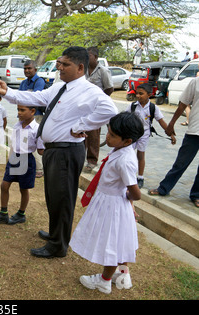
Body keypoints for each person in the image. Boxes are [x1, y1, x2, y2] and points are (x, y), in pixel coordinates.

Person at [0, 46, 118, 258]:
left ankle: (58, 245)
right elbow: (37, 98)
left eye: (65, 64)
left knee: (63, 198)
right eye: (59, 63)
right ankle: (54, 233)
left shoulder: (89, 91)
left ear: (80, 67)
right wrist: (8, 93)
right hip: (53, 151)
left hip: (67, 152)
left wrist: (81, 126)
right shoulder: (61, 87)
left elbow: (111, 111)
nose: (59, 67)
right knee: (53, 197)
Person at [70, 111, 144, 294]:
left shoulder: (125, 161)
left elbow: (135, 192)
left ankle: (104, 281)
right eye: (108, 132)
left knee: (111, 244)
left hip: (113, 205)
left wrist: (129, 201)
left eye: (112, 135)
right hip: (110, 201)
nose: (107, 137)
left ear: (127, 141)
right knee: (120, 242)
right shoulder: (120, 149)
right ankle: (121, 275)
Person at [0, 105, 44, 225]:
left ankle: (21, 214)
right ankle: (3, 213)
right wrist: (9, 159)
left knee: (23, 189)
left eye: (22, 110)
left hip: (27, 159)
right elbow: (13, 144)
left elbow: (41, 149)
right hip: (14, 158)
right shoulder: (17, 125)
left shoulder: (37, 129)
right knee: (4, 185)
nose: (19, 113)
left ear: (33, 111)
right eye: (18, 110)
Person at [148, 76, 199, 208]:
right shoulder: (195, 82)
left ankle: (196, 195)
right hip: (194, 131)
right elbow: (183, 103)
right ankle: (164, 188)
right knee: (181, 162)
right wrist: (171, 123)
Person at [126, 83, 176, 188]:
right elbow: (123, 118)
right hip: (132, 134)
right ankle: (128, 175)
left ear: (149, 95)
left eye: (141, 94)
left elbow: (161, 121)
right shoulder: (132, 106)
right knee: (127, 154)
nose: (138, 96)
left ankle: (140, 177)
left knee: (140, 155)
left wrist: (170, 134)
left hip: (144, 135)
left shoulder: (153, 108)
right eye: (137, 93)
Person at [84, 46, 114, 173]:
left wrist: (100, 100)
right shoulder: (83, 69)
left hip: (96, 107)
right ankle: (80, 157)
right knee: (81, 132)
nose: (86, 58)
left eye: (88, 55)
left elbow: (109, 88)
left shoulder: (103, 71)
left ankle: (92, 160)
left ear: (95, 57)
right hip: (83, 106)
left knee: (93, 135)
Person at [19, 60, 45, 178]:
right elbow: (19, 98)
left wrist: (25, 98)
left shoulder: (40, 81)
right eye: (25, 69)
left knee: (35, 140)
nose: (27, 71)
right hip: (23, 116)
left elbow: (35, 99)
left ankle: (39, 168)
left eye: (29, 68)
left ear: (35, 69)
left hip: (36, 115)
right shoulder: (24, 83)